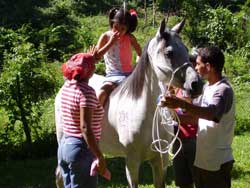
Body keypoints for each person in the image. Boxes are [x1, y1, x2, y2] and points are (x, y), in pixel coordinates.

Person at [160, 46, 235, 188]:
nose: (196, 68)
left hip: (217, 161)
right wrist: (170, 112)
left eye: (198, 64)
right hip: (204, 159)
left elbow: (211, 114)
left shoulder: (223, 90)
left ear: (208, 67)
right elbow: (196, 118)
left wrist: (181, 103)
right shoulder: (208, 87)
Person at [57, 53, 107, 188]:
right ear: (89, 71)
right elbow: (85, 127)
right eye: (93, 66)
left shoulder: (66, 87)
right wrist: (99, 156)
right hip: (81, 149)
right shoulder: (87, 92)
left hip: (64, 146)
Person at [94, 7, 142, 106]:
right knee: (101, 94)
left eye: (123, 29)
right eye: (116, 26)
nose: (119, 31)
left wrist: (137, 64)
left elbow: (140, 52)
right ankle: (96, 119)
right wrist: (111, 43)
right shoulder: (106, 36)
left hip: (129, 75)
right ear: (112, 23)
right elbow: (97, 56)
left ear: (128, 29)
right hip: (113, 76)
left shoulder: (130, 38)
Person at [171, 49, 200, 188]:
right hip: (178, 140)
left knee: (200, 180)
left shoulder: (199, 89)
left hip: (194, 140)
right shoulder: (177, 88)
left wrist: (173, 116)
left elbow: (195, 119)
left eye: (193, 64)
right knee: (183, 183)